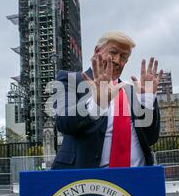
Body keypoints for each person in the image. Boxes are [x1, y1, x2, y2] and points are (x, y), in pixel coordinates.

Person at [51, 31, 163, 170]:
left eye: (123, 57)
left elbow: (150, 138)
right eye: (113, 52)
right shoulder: (69, 80)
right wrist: (97, 103)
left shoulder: (132, 91)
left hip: (136, 180)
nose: (117, 60)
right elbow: (64, 123)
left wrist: (147, 99)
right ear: (97, 51)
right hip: (88, 182)